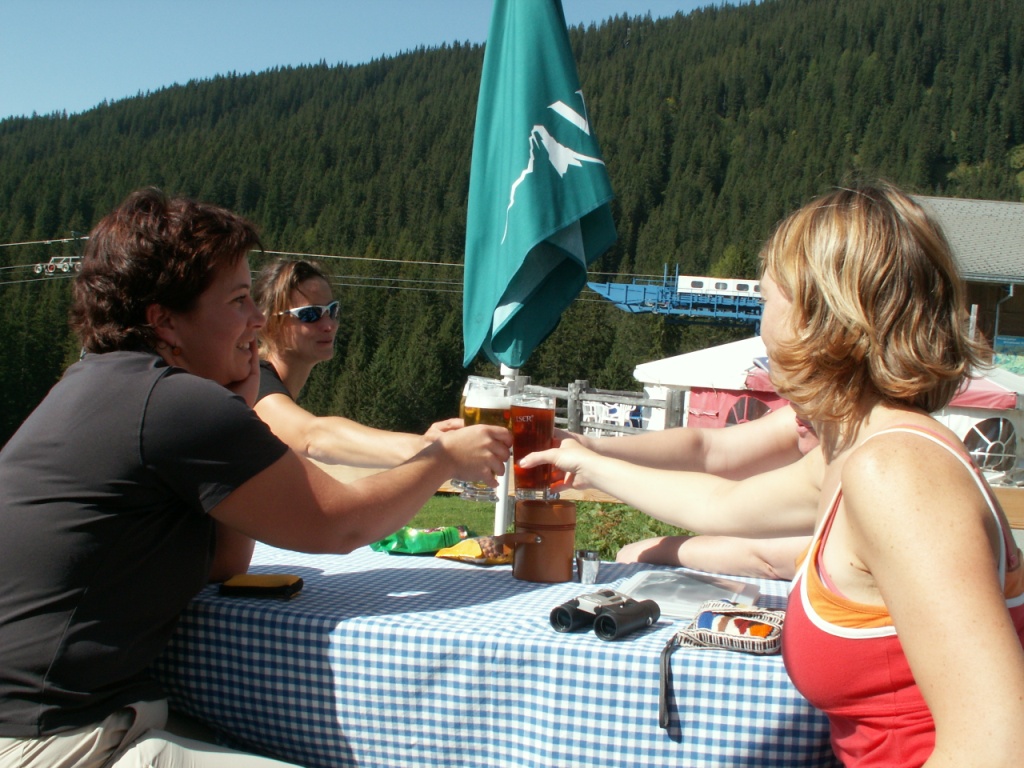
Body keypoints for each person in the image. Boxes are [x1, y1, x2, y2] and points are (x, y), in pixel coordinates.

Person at [0, 188, 510, 767]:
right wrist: (440, 458)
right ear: (164, 321)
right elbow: (339, 525)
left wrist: (239, 410)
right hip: (51, 738)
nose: (257, 319)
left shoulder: (96, 382)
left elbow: (225, 565)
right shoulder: (172, 404)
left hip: (61, 719)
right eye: (239, 300)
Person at [522, 182, 1024, 766]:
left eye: (766, 298)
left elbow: (998, 742)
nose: (760, 326)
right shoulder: (852, 457)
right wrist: (588, 462)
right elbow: (720, 504)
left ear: (819, 314)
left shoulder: (897, 472)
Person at [252, 258, 462, 468]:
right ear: (268, 324)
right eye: (310, 315)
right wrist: (427, 448)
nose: (329, 325)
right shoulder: (256, 385)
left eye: (332, 310)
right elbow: (313, 437)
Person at [603, 403, 818, 579]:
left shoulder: (831, 458)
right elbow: (709, 449)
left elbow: (770, 558)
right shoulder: (810, 411)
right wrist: (592, 449)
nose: (793, 396)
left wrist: (666, 549)